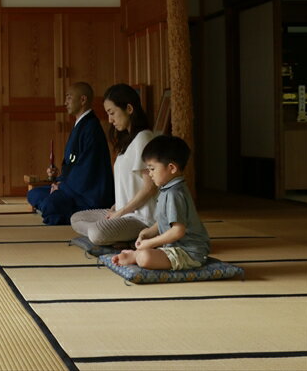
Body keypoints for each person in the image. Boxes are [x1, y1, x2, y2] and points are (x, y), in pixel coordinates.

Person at [70, 83, 157, 244]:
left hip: (141, 219)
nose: (110, 120)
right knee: (77, 217)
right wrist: (116, 206)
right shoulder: (127, 142)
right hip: (124, 212)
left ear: (129, 109)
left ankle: (138, 236)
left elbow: (150, 188)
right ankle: (119, 236)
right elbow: (130, 185)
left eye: (112, 113)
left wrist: (121, 212)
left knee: (97, 233)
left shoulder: (143, 138)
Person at [113, 135, 209, 270]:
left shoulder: (174, 193)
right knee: (147, 252)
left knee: (145, 257)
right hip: (174, 248)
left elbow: (177, 231)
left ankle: (135, 256)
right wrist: (148, 233)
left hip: (190, 252)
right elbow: (165, 221)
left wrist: (150, 243)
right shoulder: (167, 189)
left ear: (172, 168)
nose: (149, 173)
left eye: (152, 169)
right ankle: (136, 255)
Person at [27, 82, 114, 225]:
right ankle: (62, 209)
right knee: (33, 193)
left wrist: (61, 186)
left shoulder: (91, 128)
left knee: (50, 204)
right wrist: (57, 179)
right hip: (72, 187)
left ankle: (77, 214)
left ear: (83, 100)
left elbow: (87, 168)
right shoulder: (80, 125)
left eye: (69, 97)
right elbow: (72, 164)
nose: (65, 102)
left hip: (88, 195)